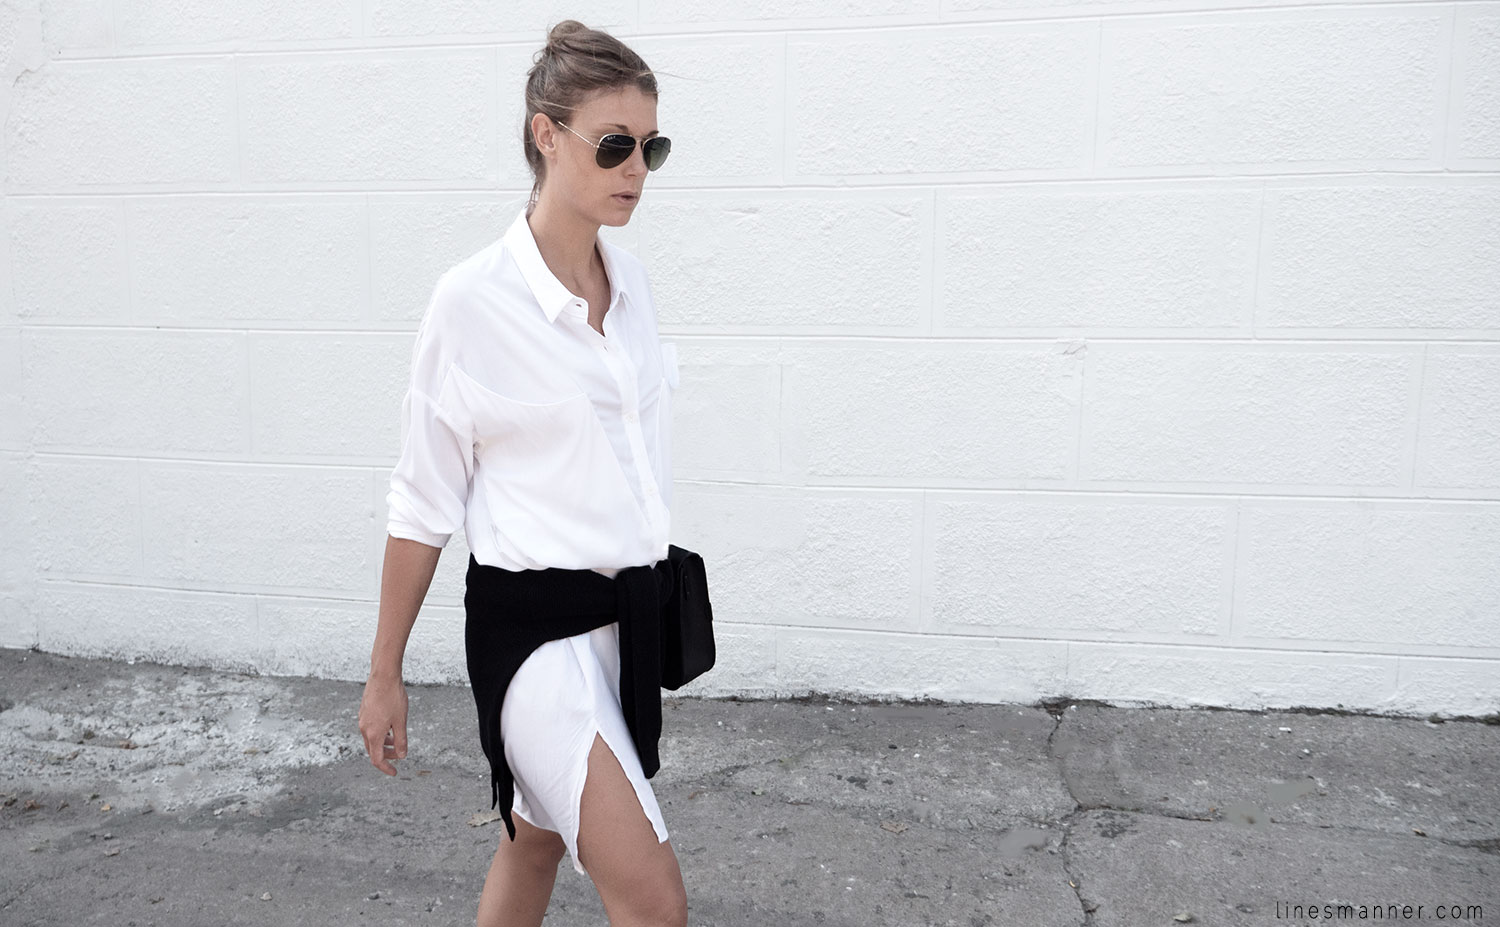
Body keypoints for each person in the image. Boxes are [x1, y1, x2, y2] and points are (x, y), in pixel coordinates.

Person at [356, 20, 687, 927]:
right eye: (614, 144)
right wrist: (384, 673)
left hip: (624, 629)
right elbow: (422, 501)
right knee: (654, 900)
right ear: (547, 134)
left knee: (534, 840)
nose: (636, 169)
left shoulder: (634, 288)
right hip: (536, 643)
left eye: (651, 147)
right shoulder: (472, 302)